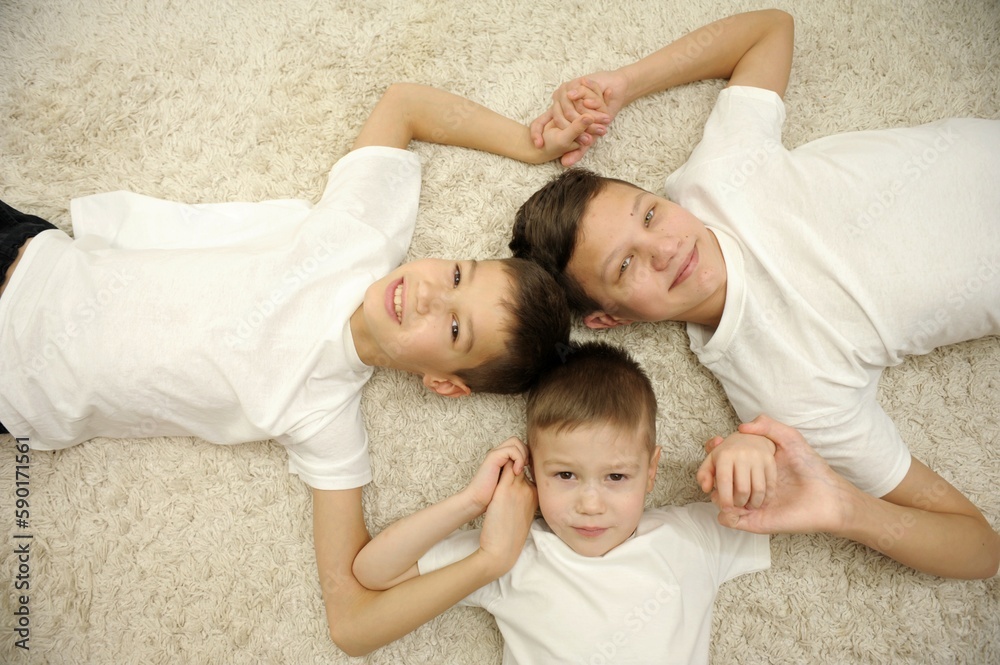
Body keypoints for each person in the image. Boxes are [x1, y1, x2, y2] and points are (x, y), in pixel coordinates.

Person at [0, 82, 600, 654]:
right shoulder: (363, 236)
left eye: (452, 328)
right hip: (29, 259)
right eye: (458, 275)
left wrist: (487, 560)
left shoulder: (324, 417)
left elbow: (352, 623)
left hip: (15, 383)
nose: (427, 295)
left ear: (444, 383)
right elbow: (405, 105)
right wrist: (528, 143)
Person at [510, 9, 1000, 579]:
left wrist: (624, 84)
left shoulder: (715, 179)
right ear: (607, 320)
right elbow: (977, 547)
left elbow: (772, 28)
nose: (664, 248)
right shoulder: (786, 395)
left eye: (649, 214)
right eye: (625, 265)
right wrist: (844, 509)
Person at [352, 341, 775, 664]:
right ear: (532, 469)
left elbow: (791, 505)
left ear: (651, 472)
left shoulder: (692, 536)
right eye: (566, 476)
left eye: (616, 477)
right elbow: (373, 571)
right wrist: (471, 501)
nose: (590, 504)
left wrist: (752, 448)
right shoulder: (510, 552)